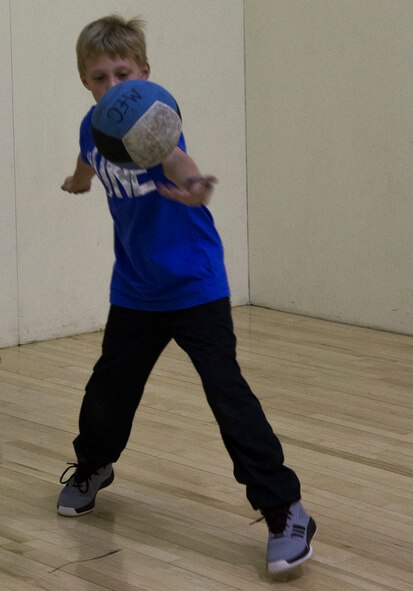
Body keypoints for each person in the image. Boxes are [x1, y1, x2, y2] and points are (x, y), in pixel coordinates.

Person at [58, 14, 316, 574]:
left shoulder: (152, 114)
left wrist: (195, 185)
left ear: (144, 73)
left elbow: (174, 156)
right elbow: (87, 158)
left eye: (122, 73)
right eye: (99, 77)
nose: (112, 87)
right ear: (86, 82)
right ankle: (94, 465)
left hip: (195, 285)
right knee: (109, 390)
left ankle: (284, 507)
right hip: (134, 290)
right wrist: (78, 180)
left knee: (227, 394)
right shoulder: (93, 126)